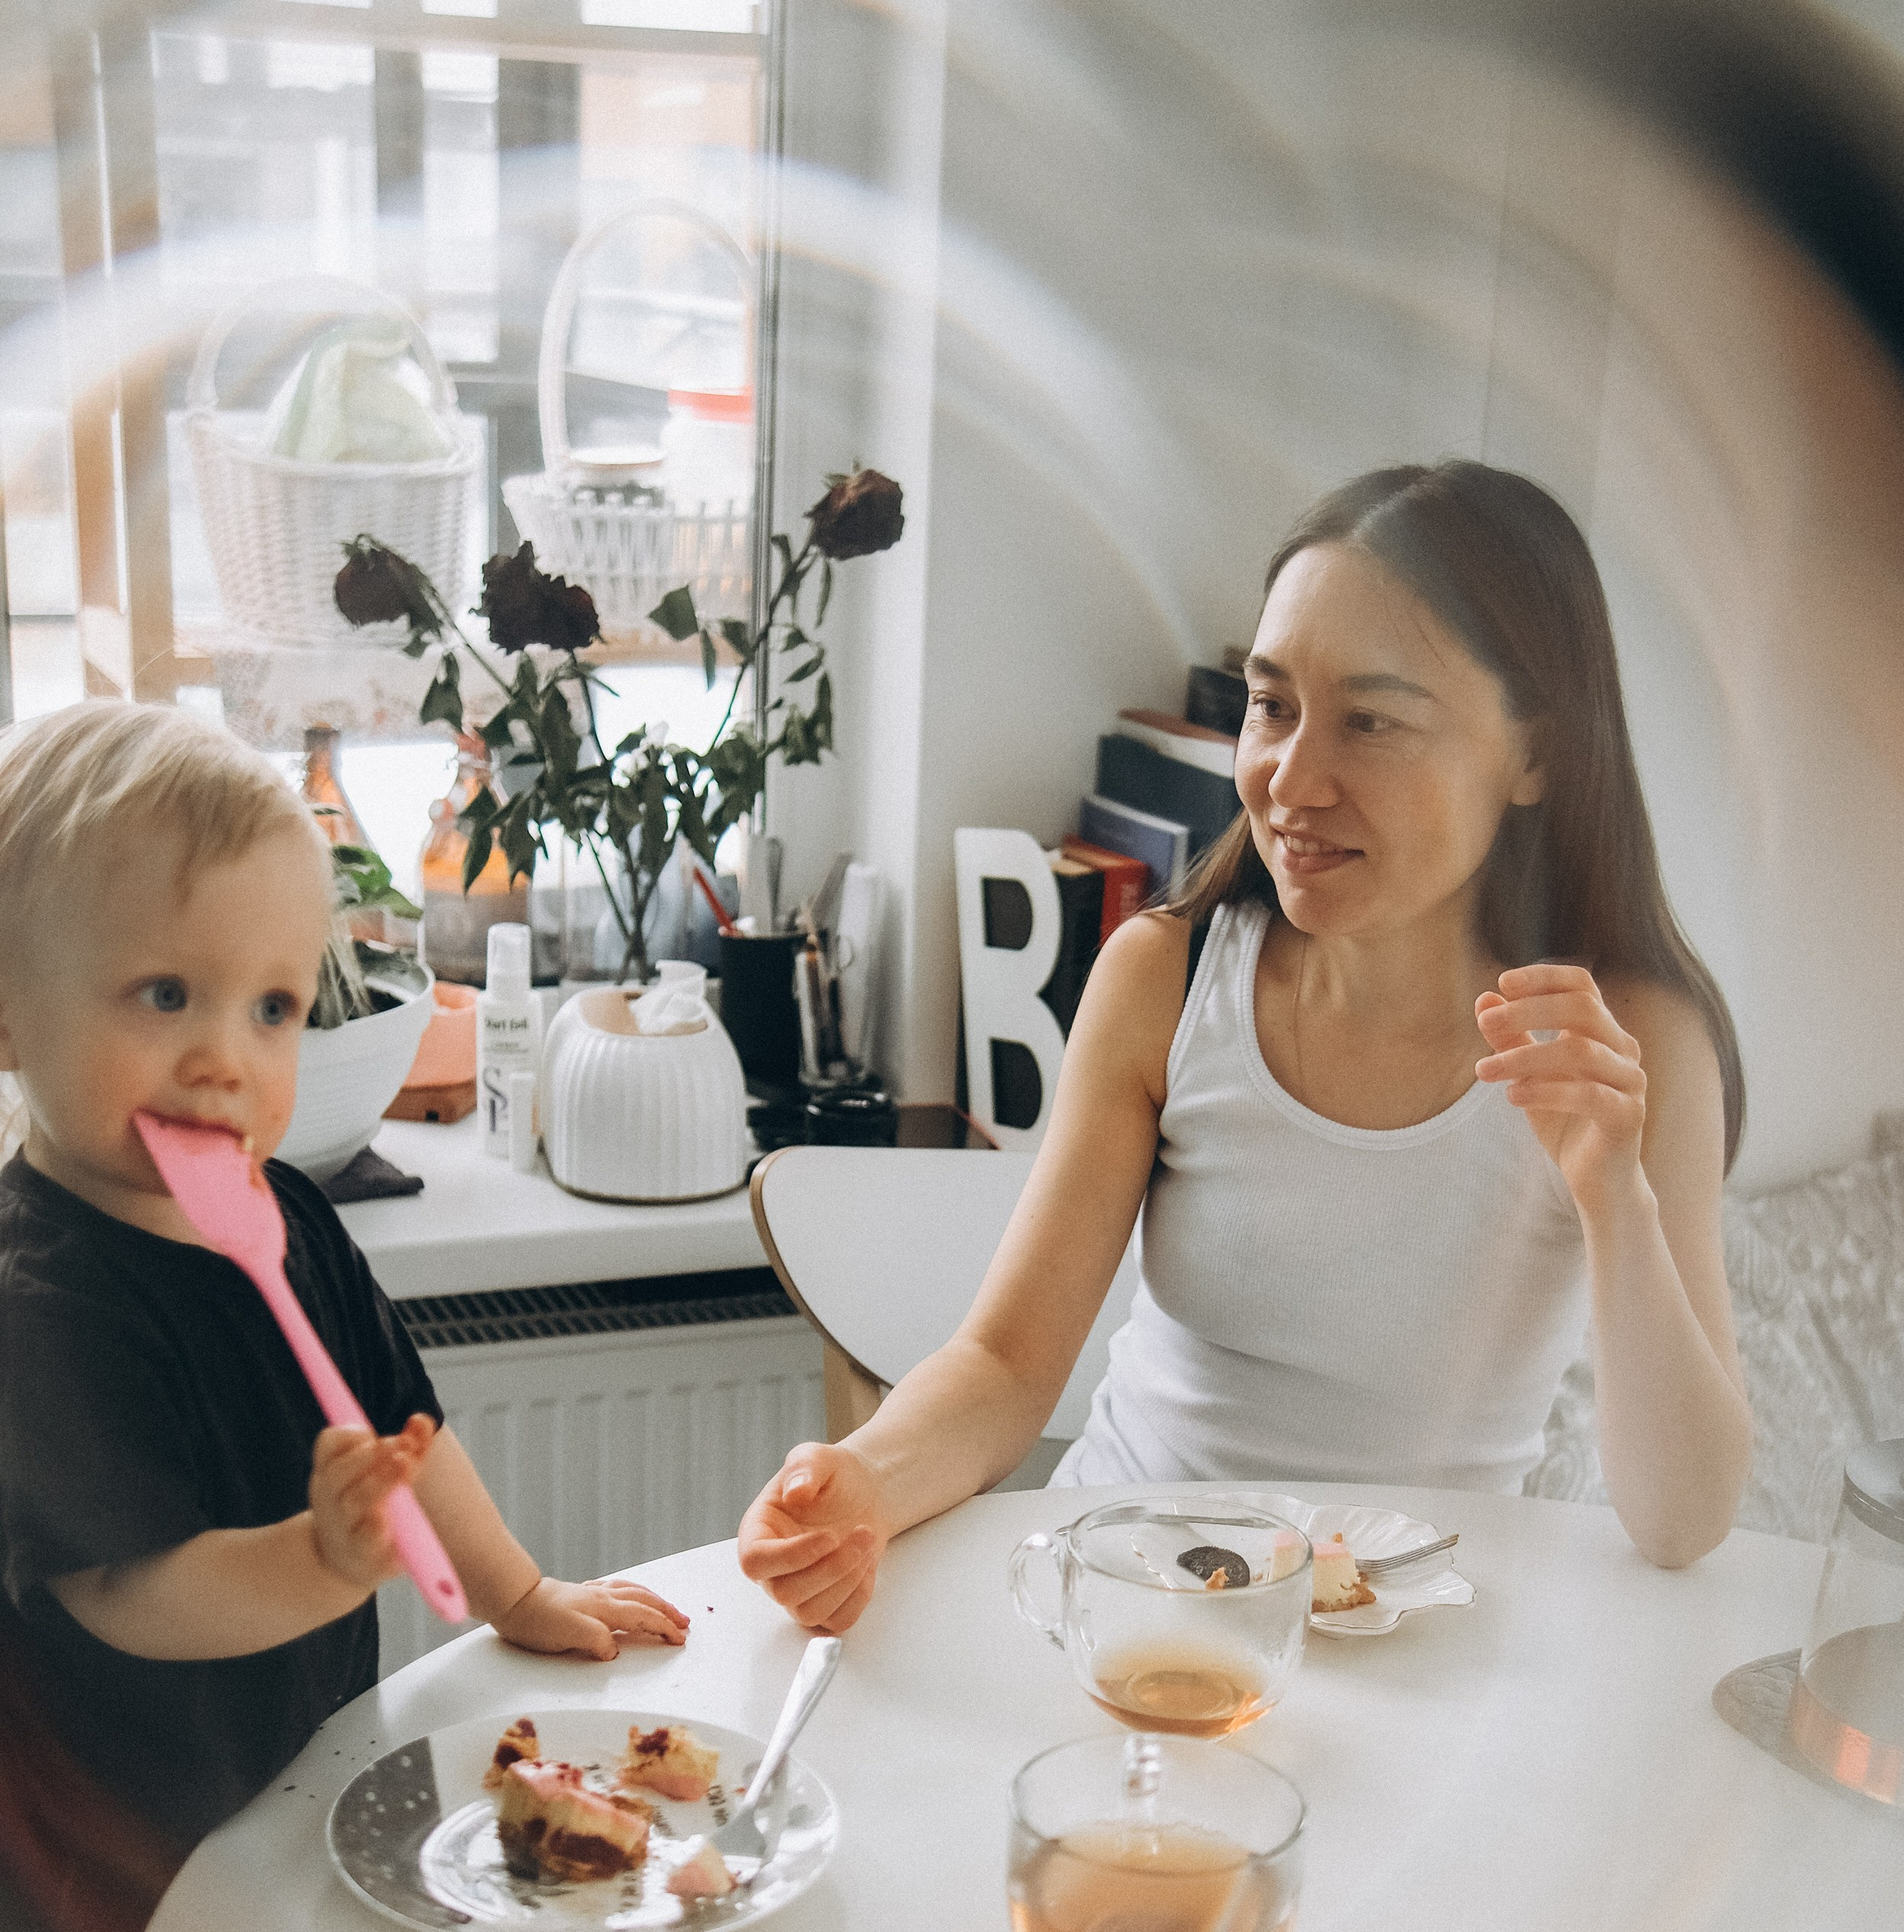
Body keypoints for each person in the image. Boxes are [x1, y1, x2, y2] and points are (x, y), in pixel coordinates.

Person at [741, 462, 1752, 1631]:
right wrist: (867, 1480)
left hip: (1415, 1647)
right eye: (1272, 706)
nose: (1289, 779)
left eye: (1371, 721)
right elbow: (1009, 1368)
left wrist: (1613, 1197)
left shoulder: (1634, 1044)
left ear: (1538, 757)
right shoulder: (1164, 978)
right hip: (1123, 1613)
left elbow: (1682, 1522)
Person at [0, 700, 689, 1853]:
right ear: (10, 1012)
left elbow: (406, 1434)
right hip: (112, 1850)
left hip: (289, 1782)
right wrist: (317, 1563)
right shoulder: (41, 1310)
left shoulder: (295, 1217)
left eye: (272, 1007)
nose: (227, 1058)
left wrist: (518, 1593)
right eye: (166, 994)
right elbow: (134, 1595)